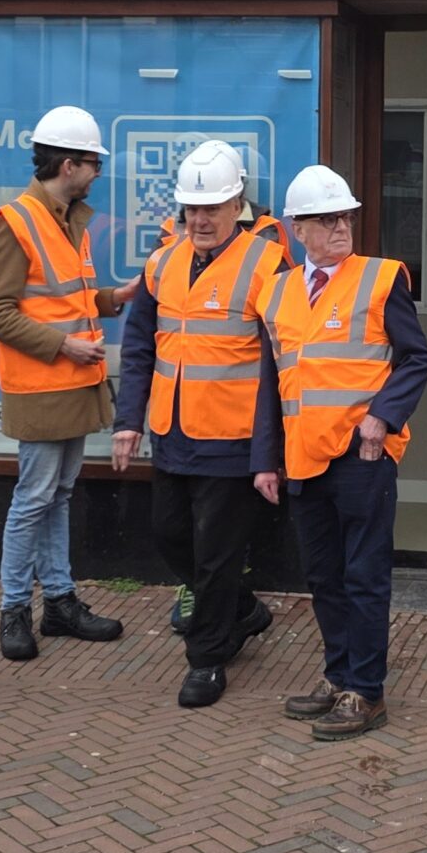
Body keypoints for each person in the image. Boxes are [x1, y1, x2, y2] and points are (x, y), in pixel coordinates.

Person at [253, 165, 427, 739]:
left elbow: (416, 358)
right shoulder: (276, 292)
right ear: (298, 228)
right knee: (324, 576)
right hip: (303, 457)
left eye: (346, 218)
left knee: (364, 575)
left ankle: (366, 692)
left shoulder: (381, 279)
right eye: (327, 219)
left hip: (363, 455)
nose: (340, 228)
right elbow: (272, 380)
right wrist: (265, 459)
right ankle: (339, 677)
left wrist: (383, 417)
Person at [116, 140, 289, 707]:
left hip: (233, 437)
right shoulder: (162, 262)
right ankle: (241, 607)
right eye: (192, 208)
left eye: (212, 208)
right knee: (169, 535)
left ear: (237, 204)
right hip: (172, 432)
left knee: (215, 552)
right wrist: (128, 420)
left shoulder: (267, 264)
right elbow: (140, 346)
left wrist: (268, 451)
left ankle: (208, 659)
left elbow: (280, 362)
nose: (200, 220)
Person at [0, 105, 131, 662]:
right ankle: (15, 608)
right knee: (35, 499)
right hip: (42, 385)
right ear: (69, 165)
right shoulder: (18, 222)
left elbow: (65, 300)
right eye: (93, 164)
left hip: (69, 382)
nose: (97, 174)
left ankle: (59, 601)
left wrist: (114, 298)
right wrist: (64, 346)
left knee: (56, 495)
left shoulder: (65, 219)